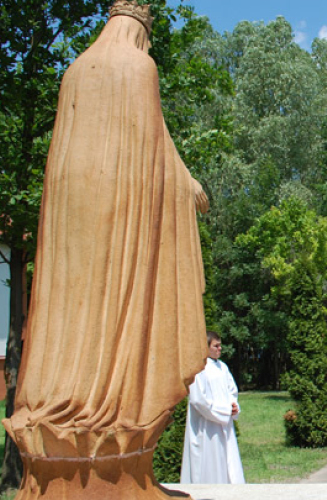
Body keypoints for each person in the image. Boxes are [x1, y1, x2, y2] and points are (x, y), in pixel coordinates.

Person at [6, 2, 209, 496]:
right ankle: (111, 404)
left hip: (72, 211)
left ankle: (56, 397)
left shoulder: (75, 69)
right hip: (119, 205)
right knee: (113, 303)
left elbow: (145, 138)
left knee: (72, 303)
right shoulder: (139, 66)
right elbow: (152, 145)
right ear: (141, 30)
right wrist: (187, 186)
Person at [182, 331, 245, 484]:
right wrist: (224, 411)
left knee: (228, 462)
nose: (220, 349)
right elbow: (198, 400)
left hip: (225, 425)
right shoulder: (198, 369)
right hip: (207, 427)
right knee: (210, 465)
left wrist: (234, 406)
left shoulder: (223, 367)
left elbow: (232, 390)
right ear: (206, 348)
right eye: (216, 346)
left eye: (220, 345)